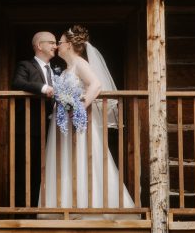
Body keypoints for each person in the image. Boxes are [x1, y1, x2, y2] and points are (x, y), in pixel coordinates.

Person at [40, 25, 136, 213]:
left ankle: (85, 207)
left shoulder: (80, 63)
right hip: (62, 123)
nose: (57, 46)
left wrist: (79, 107)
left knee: (81, 161)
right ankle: (63, 207)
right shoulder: (67, 68)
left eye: (59, 42)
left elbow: (96, 85)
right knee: (65, 162)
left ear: (68, 45)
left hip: (77, 122)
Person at [11, 31, 60, 207]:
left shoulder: (56, 71)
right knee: (28, 171)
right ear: (39, 45)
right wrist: (43, 87)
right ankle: (25, 209)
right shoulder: (25, 65)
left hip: (52, 129)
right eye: (52, 42)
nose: (56, 46)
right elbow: (17, 82)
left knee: (48, 170)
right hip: (29, 129)